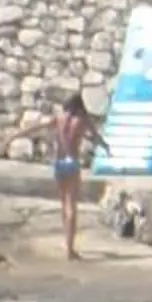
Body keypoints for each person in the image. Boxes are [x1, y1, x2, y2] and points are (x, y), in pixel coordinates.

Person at [50, 92, 95, 261]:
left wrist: (11, 138)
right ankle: (70, 249)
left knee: (63, 204)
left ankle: (66, 242)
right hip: (72, 163)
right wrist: (106, 147)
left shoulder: (59, 118)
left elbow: (34, 128)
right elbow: (95, 136)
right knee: (71, 206)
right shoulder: (82, 121)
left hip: (59, 162)